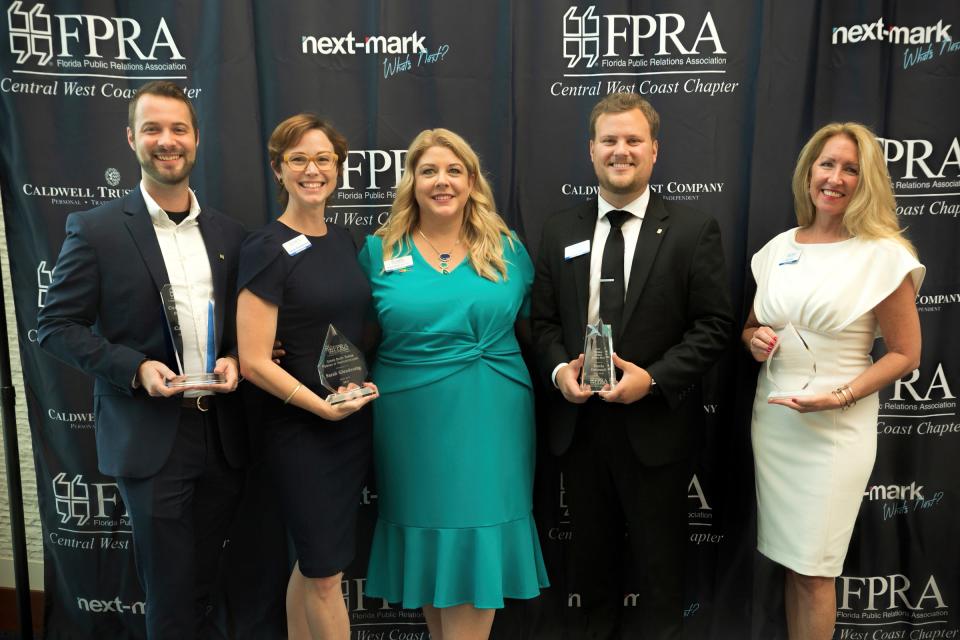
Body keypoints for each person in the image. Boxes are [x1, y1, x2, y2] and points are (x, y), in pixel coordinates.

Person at [37, 81, 248, 639]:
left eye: (178, 128)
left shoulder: (229, 233)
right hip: (152, 438)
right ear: (131, 139)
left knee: (214, 586)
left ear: (197, 140)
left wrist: (233, 357)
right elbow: (54, 327)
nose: (166, 140)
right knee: (170, 593)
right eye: (152, 129)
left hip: (225, 435)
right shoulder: (97, 229)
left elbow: (241, 327)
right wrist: (134, 368)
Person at [531, 92, 733, 639]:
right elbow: (542, 323)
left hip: (657, 434)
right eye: (610, 140)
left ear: (654, 150)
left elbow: (714, 325)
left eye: (633, 140)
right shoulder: (559, 230)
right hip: (582, 429)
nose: (621, 150)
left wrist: (655, 379)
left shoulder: (693, 230)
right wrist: (558, 374)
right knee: (592, 574)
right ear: (591, 151)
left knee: (660, 577)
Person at [358, 128, 549, 640]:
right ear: (411, 182)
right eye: (429, 171)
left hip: (492, 412)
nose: (442, 181)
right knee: (432, 556)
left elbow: (542, 329)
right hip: (408, 419)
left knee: (475, 541)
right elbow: (349, 332)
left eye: (454, 170)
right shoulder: (378, 251)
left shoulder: (508, 249)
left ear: (471, 181)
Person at [742, 122, 924, 640]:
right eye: (828, 165)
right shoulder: (778, 248)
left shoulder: (882, 255)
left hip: (834, 429)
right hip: (776, 419)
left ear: (867, 181)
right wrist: (754, 341)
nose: (836, 178)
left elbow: (907, 355)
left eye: (851, 169)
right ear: (808, 173)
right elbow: (753, 327)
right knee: (792, 561)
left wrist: (839, 396)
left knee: (815, 568)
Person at [235, 113, 378, 640]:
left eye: (323, 159)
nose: (312, 170)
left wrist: (351, 399)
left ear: (338, 167)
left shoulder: (345, 240)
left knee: (317, 566)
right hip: (301, 431)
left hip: (350, 422)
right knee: (324, 576)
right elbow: (253, 361)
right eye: (298, 159)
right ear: (278, 169)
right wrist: (319, 408)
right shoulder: (265, 246)